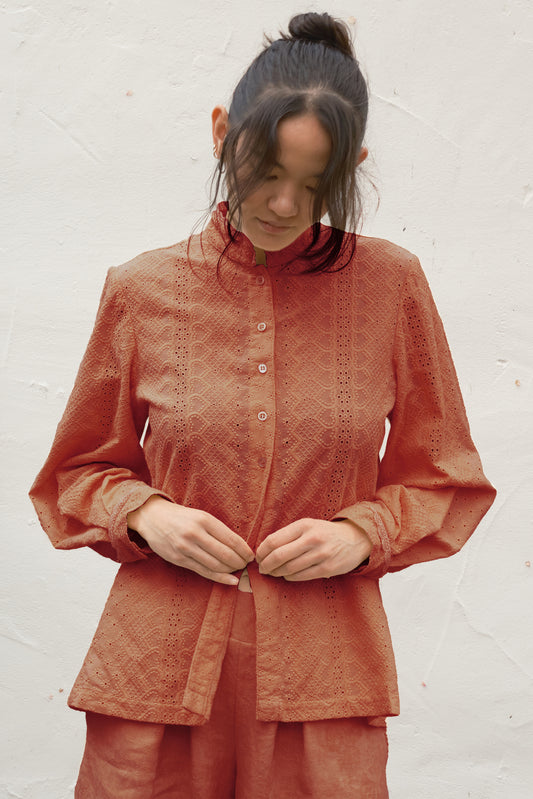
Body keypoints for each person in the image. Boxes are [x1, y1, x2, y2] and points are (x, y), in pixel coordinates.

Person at [29, 11, 496, 798]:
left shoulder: (392, 287)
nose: (283, 203)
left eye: (315, 185)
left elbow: (448, 479)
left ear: (355, 166)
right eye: (264, 168)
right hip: (155, 682)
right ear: (221, 131)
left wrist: (363, 531)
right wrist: (146, 512)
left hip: (323, 681)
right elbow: (73, 474)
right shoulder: (142, 290)